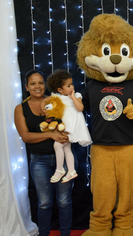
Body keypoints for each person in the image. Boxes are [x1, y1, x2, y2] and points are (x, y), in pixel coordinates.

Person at [14, 70, 73, 236]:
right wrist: (50, 134)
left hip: (63, 158)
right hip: (39, 161)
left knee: (64, 201)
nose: (37, 86)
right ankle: (44, 234)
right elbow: (25, 136)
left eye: (40, 82)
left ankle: (66, 234)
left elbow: (70, 123)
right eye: (33, 83)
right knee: (45, 203)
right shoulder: (21, 109)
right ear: (26, 87)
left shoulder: (56, 101)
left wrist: (67, 133)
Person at [41, 70, 92, 183]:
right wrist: (45, 109)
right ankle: (71, 171)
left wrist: (72, 97)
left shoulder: (77, 95)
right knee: (66, 148)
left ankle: (59, 169)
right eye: (68, 85)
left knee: (57, 145)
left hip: (73, 127)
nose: (72, 87)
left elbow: (80, 108)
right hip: (63, 126)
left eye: (72, 84)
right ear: (60, 89)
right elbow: (46, 102)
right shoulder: (56, 97)